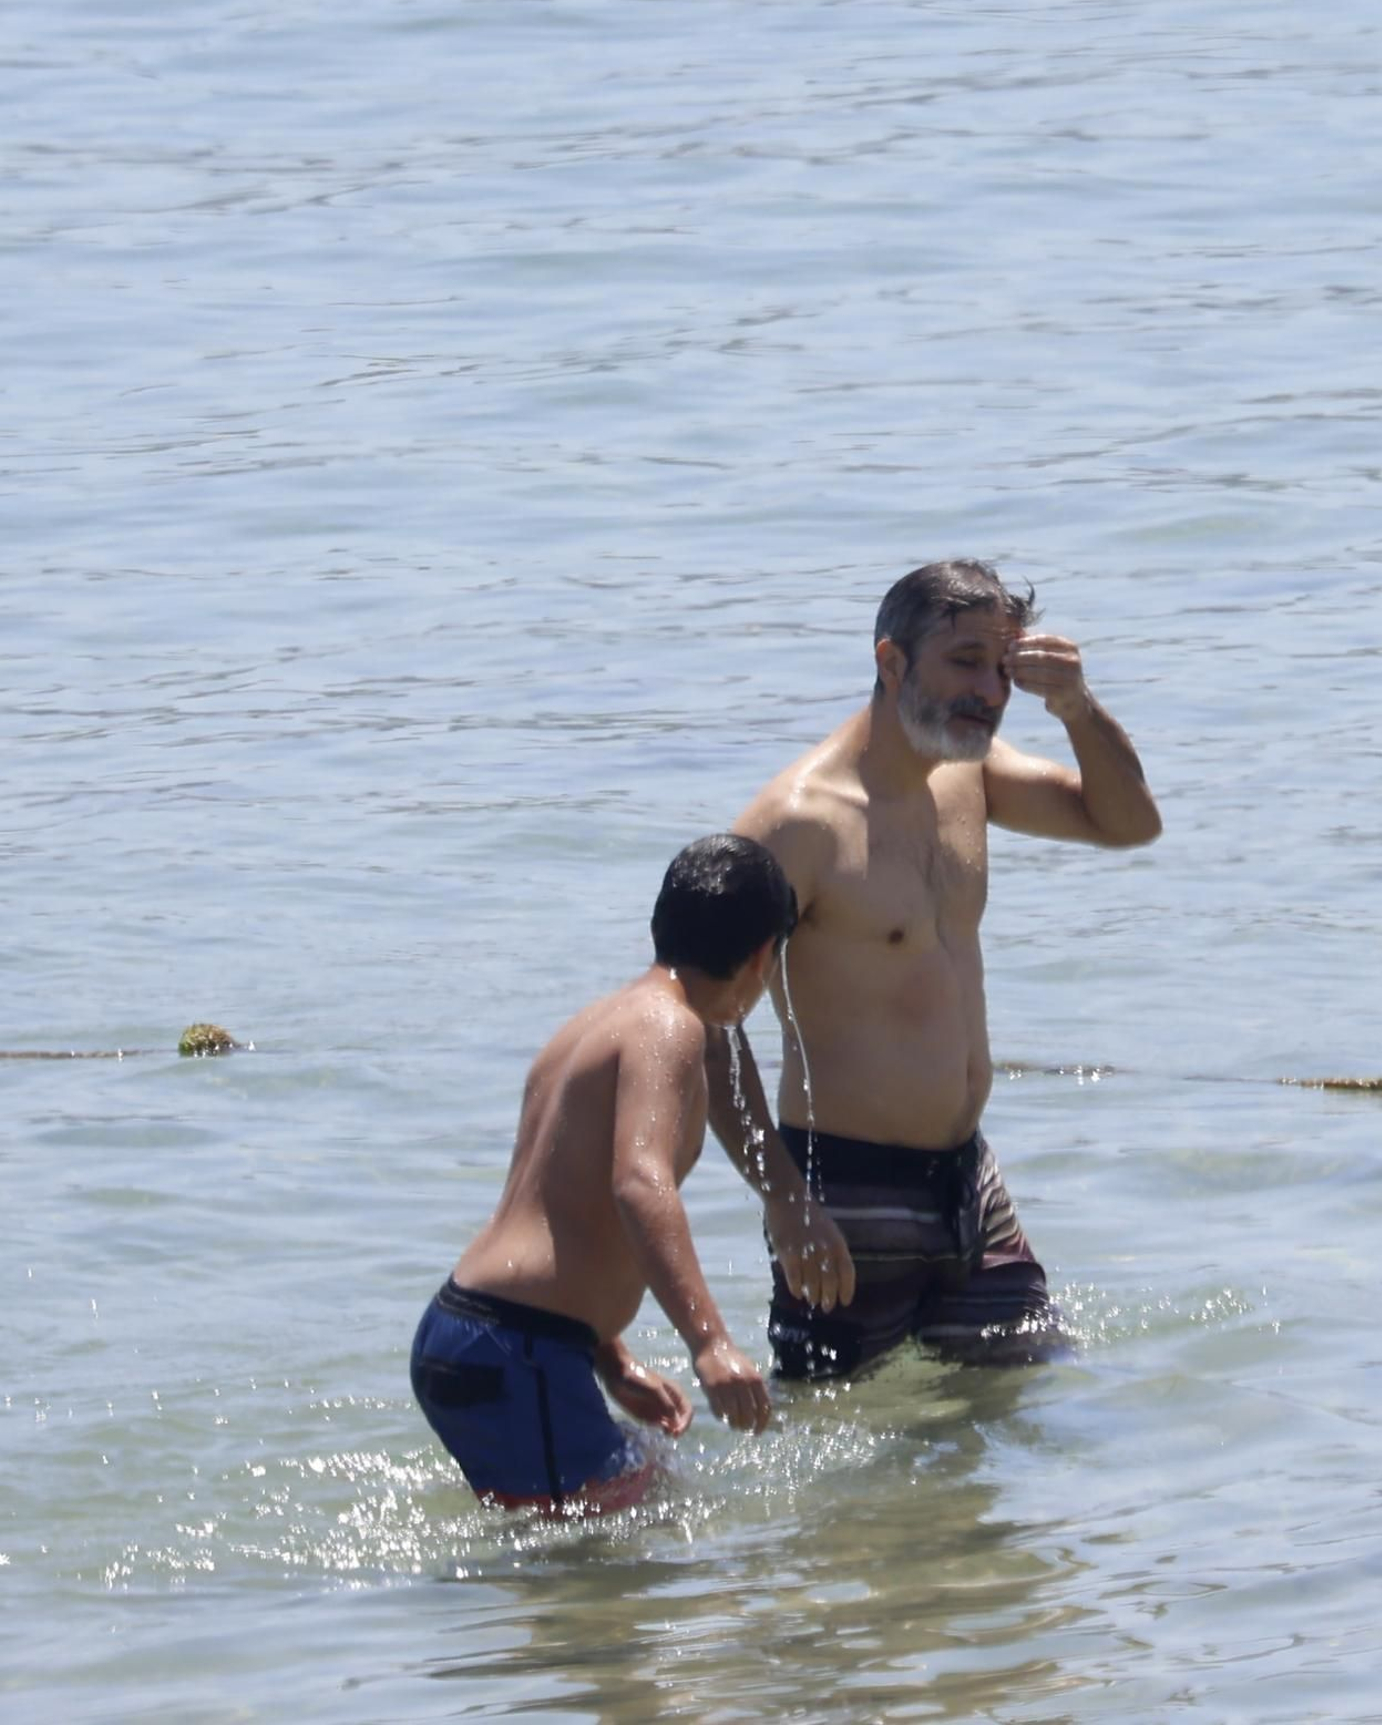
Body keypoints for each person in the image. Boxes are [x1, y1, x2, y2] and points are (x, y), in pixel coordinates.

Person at [709, 561, 1162, 1379]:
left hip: (970, 1185)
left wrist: (1074, 707)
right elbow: (705, 1024)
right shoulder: (799, 825)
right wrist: (783, 1197)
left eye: (1004, 667)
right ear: (891, 662)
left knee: (1030, 1403)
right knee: (837, 1463)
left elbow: (1129, 823)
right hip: (843, 1193)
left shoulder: (970, 774)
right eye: (964, 661)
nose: (988, 690)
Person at [411, 833, 794, 1514]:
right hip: (517, 1348)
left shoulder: (593, 1024)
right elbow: (638, 1183)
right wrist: (710, 1343)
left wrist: (611, 1361)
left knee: (626, 1521)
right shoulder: (670, 1027)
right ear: (762, 955)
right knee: (613, 1557)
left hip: (478, 1335)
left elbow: (559, 1208)